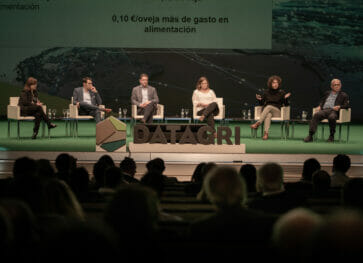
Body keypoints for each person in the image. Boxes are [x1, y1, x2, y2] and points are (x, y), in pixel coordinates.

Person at [304, 78, 349, 143]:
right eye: (335, 85)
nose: (337, 86)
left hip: (334, 111)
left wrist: (339, 107)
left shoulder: (344, 95)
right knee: (316, 115)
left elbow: (347, 106)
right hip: (324, 111)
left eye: (338, 85)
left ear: (340, 85)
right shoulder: (327, 93)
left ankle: (331, 136)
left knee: (332, 117)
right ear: (331, 86)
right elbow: (322, 101)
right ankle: (310, 135)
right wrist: (320, 106)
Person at [250, 75, 290, 140]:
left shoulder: (281, 92)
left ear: (279, 84)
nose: (275, 84)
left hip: (278, 112)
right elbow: (262, 104)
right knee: (268, 114)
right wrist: (259, 99)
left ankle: (258, 123)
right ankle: (266, 134)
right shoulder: (266, 92)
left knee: (269, 106)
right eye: (273, 83)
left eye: (277, 83)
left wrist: (285, 99)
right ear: (270, 84)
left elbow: (286, 105)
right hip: (267, 111)